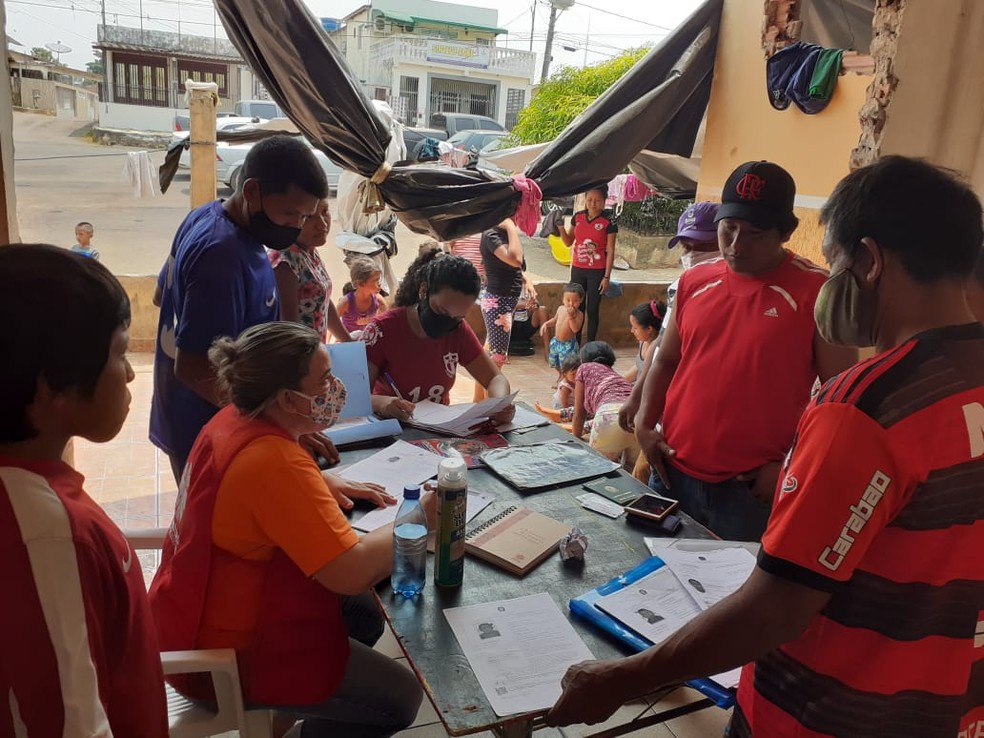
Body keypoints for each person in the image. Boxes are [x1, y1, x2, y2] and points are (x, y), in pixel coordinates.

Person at [547, 155, 984, 738]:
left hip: (820, 712)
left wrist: (621, 680)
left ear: (871, 261)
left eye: (838, 265)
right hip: (941, 707)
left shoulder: (866, 410)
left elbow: (774, 608)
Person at [149, 321, 426, 737]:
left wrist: (322, 482)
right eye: (324, 379)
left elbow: (244, 488)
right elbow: (351, 571)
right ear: (286, 398)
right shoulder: (275, 464)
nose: (336, 387)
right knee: (401, 699)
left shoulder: (233, 420)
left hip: (188, 615)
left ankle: (305, 711)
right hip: (225, 659)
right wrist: (422, 515)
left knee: (366, 614)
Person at [633, 161, 858, 541]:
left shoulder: (817, 293)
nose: (736, 246)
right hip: (672, 467)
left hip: (749, 489)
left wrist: (789, 465)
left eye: (754, 234)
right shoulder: (695, 281)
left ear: (785, 232)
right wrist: (643, 422)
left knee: (731, 589)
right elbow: (667, 360)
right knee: (649, 580)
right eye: (729, 229)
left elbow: (840, 401)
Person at [0, 244, 167, 737]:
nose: (131, 372)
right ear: (51, 386)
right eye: (119, 353)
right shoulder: (46, 533)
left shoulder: (39, 497)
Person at [151, 135, 338, 485]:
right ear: (252, 191)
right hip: (207, 425)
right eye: (288, 213)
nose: (296, 226)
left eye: (305, 216)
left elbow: (161, 296)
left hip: (201, 417)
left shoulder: (206, 214)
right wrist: (274, 422)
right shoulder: (221, 256)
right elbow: (193, 368)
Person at [362, 248, 516, 423]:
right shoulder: (382, 330)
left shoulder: (457, 330)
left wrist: (499, 403)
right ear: (423, 291)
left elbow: (495, 378)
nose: (447, 322)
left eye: (458, 317)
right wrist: (381, 403)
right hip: (389, 430)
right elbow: (353, 399)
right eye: (441, 310)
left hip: (438, 431)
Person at [270, 197, 352, 343]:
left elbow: (322, 301)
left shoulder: (309, 250)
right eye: (309, 217)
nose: (322, 224)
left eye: (325, 211)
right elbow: (289, 329)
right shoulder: (286, 261)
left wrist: (349, 342)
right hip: (300, 356)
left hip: (316, 353)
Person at [558, 185, 618, 341]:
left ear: (604, 201)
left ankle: (590, 344)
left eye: (597, 200)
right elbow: (568, 242)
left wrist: (606, 277)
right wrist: (560, 228)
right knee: (577, 308)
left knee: (592, 308)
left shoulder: (608, 222)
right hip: (578, 269)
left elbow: (611, 250)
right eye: (590, 200)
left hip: (597, 272)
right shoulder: (577, 217)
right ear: (585, 200)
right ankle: (575, 342)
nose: (593, 204)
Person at [571, 342, 636, 460]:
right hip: (637, 418)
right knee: (631, 475)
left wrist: (576, 440)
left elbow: (579, 413)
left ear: (583, 359)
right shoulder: (615, 376)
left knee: (597, 468)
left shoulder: (584, 368)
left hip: (609, 415)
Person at [479, 217, 525, 368]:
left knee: (488, 356)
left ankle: (480, 393)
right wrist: (512, 228)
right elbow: (515, 259)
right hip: (499, 303)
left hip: (504, 302)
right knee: (496, 361)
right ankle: (492, 392)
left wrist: (526, 280)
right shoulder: (492, 234)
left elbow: (517, 266)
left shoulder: (504, 234)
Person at [541, 283, 586, 382]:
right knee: (554, 362)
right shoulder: (560, 309)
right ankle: (561, 375)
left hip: (568, 345)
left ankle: (565, 382)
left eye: (575, 301)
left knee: (567, 365)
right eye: (568, 300)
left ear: (581, 300)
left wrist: (571, 317)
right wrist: (547, 324)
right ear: (562, 299)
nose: (571, 304)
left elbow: (575, 329)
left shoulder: (579, 314)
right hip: (556, 342)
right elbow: (555, 319)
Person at [337, 255, 385, 337]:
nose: (380, 284)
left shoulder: (379, 301)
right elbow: (332, 324)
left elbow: (384, 322)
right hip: (348, 339)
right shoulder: (345, 302)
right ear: (360, 283)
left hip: (368, 338)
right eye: (376, 281)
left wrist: (370, 321)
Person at [624, 301, 664, 383]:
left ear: (649, 329)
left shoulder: (657, 350)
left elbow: (648, 382)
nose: (632, 331)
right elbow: (638, 367)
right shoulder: (643, 341)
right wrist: (618, 381)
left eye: (635, 328)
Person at [508, 276, 549, 357]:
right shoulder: (504, 285)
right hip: (509, 326)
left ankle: (548, 352)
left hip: (524, 325)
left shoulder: (527, 286)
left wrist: (534, 306)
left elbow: (536, 302)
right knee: (509, 311)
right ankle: (503, 353)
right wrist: (520, 305)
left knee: (542, 310)